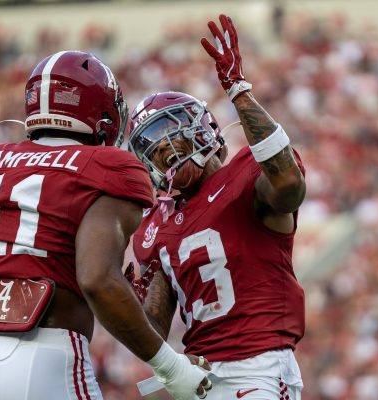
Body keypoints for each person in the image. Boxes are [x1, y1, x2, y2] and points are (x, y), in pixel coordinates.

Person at [0, 50, 212, 400]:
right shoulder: (108, 166)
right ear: (103, 114)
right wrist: (171, 368)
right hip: (48, 360)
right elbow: (97, 279)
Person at [126, 15, 307, 400]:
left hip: (258, 367)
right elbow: (153, 331)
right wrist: (132, 299)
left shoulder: (244, 176)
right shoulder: (156, 224)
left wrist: (240, 91)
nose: (166, 152)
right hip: (199, 378)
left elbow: (289, 186)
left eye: (170, 136)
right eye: (154, 149)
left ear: (202, 129)